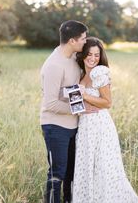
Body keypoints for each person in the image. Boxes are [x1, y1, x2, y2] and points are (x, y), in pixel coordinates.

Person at [72, 37, 138, 203]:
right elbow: (77, 107)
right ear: (82, 55)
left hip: (101, 126)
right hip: (85, 127)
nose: (93, 58)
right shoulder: (80, 75)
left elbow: (107, 102)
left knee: (104, 169)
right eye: (89, 54)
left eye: (96, 55)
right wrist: (79, 107)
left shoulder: (100, 73)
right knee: (87, 167)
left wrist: (84, 95)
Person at [40, 20, 88, 203]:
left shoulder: (73, 59)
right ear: (72, 41)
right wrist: (78, 109)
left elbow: (69, 90)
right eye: (83, 39)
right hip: (55, 127)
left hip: (72, 126)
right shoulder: (54, 64)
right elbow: (50, 104)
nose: (85, 41)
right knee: (57, 173)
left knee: (71, 172)